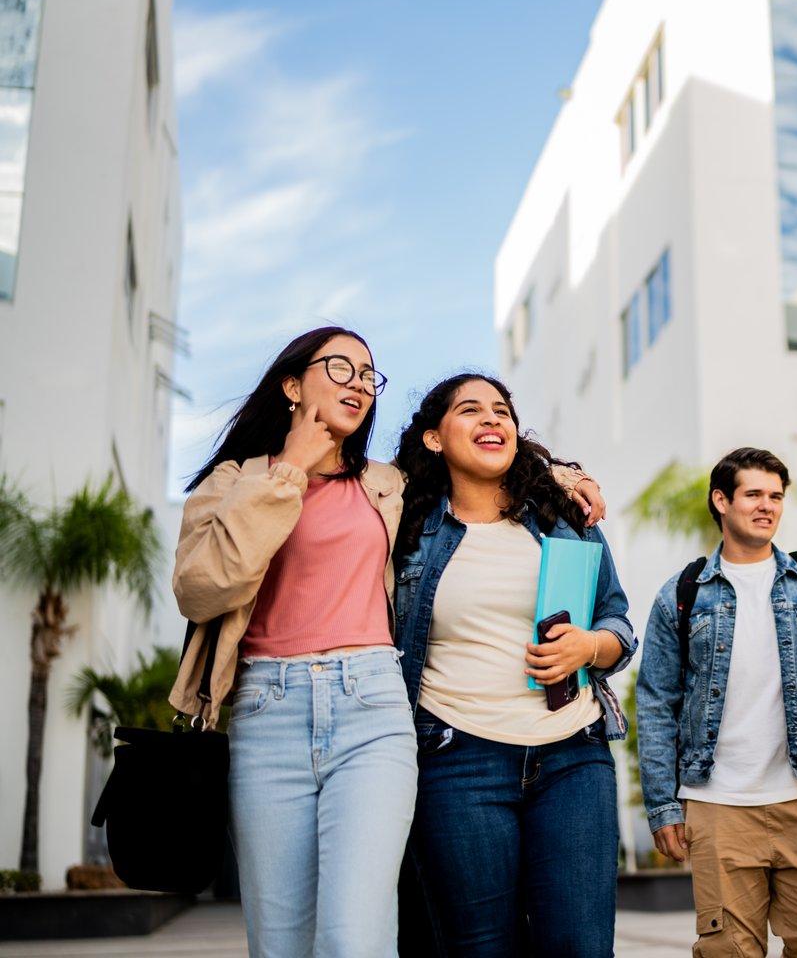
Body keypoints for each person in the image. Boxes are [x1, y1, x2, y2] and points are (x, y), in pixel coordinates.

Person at [168, 328, 602, 958]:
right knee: (279, 939)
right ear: (292, 385)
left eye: (369, 375)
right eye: (340, 368)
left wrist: (562, 471)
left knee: (357, 936)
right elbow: (203, 591)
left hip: (372, 706)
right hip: (267, 710)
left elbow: (476, 460)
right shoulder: (232, 483)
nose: (359, 384)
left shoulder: (385, 483)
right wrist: (289, 469)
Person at [392, 373, 636, 958]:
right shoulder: (405, 526)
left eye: (501, 411)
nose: (491, 420)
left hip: (573, 754)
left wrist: (588, 648)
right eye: (471, 411)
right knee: (480, 947)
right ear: (433, 439)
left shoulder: (562, 518)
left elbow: (619, 625)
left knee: (580, 945)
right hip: (457, 759)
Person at [637, 448, 797, 958]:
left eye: (776, 496)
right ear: (721, 500)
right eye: (753, 494)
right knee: (728, 952)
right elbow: (655, 703)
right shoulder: (683, 594)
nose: (767, 506)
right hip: (718, 807)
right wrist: (663, 805)